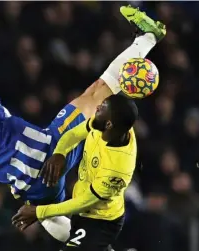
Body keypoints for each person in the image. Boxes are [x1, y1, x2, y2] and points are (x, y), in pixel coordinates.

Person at [0, 5, 165, 242]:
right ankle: (148, 37)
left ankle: (94, 247)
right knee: (97, 92)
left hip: (36, 189)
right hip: (51, 150)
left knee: (47, 216)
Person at [12, 95, 139, 250]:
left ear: (109, 124)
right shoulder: (107, 125)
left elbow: (83, 203)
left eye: (103, 107)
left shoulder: (116, 170)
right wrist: (59, 153)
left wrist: (39, 212)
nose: (97, 108)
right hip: (83, 207)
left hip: (100, 221)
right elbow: (73, 134)